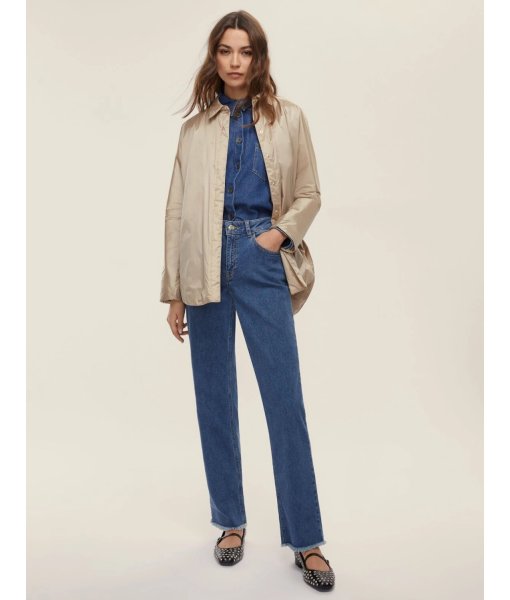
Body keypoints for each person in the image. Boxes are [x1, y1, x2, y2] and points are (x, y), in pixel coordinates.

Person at [160, 10, 335, 592]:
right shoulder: (194, 130)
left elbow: (309, 192)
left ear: (259, 58)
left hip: (261, 260)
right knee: (215, 398)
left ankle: (306, 540)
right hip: (203, 265)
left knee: (285, 401)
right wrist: (174, 291)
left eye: (245, 51)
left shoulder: (289, 117)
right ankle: (230, 522)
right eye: (225, 51)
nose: (235, 61)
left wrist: (277, 236)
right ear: (214, 57)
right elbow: (177, 212)